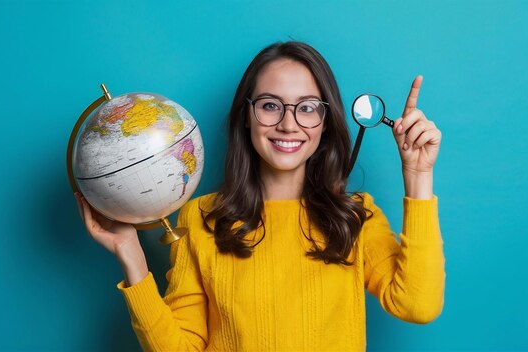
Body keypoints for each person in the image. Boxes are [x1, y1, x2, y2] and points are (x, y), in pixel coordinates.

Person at [74, 41, 445, 351]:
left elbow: (417, 304)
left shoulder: (354, 216)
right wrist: (132, 257)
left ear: (325, 121)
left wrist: (418, 175)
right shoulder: (201, 218)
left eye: (307, 108)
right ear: (247, 115)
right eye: (270, 105)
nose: (288, 123)